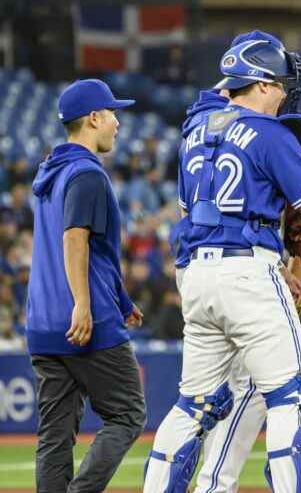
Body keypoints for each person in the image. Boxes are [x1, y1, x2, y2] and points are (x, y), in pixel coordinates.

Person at [144, 36, 301, 493]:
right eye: (280, 83)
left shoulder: (195, 131)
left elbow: (189, 214)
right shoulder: (270, 133)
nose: (285, 92)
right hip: (248, 271)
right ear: (262, 84)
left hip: (197, 276)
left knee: (193, 404)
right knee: (290, 397)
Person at [25, 79, 146, 492]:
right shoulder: (86, 174)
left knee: (55, 436)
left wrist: (123, 298)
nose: (117, 122)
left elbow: (94, 251)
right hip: (85, 321)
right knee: (129, 413)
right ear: (94, 118)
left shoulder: (49, 172)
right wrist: (83, 303)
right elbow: (75, 238)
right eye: (113, 113)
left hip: (42, 321)